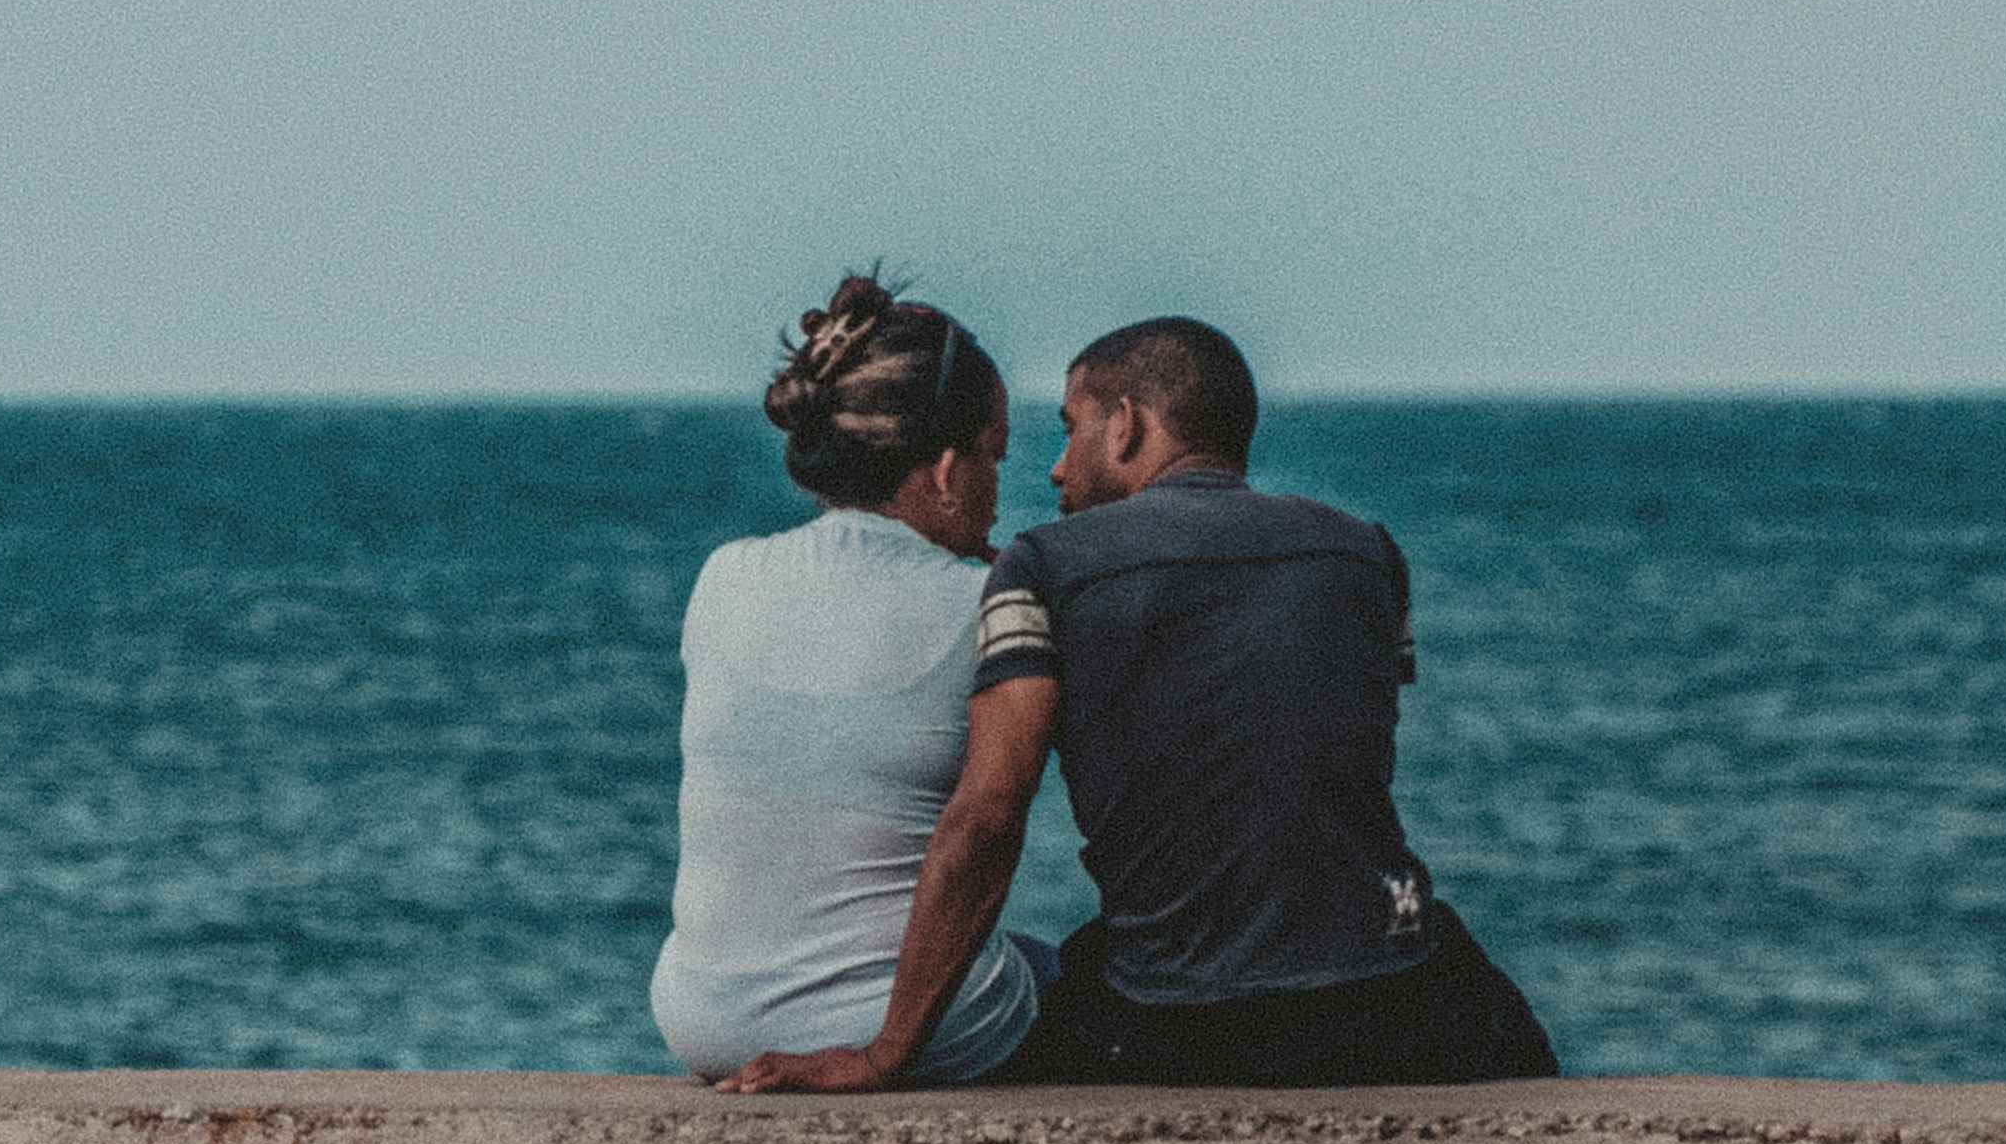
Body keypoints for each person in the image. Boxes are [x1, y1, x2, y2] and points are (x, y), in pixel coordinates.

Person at [723, 313, 1554, 1093]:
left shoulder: (1047, 566)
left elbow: (987, 814)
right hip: (1383, 996)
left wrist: (883, 1052)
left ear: (1126, 426)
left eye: (1069, 426)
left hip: (1173, 1019)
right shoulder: (1368, 553)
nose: (1054, 465)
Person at [651, 275, 1056, 1086]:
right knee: (1068, 974)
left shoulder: (722, 576)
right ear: (944, 469)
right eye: (993, 456)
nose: (999, 484)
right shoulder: (986, 602)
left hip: (697, 1018)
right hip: (880, 1027)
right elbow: (982, 829)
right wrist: (883, 1055)